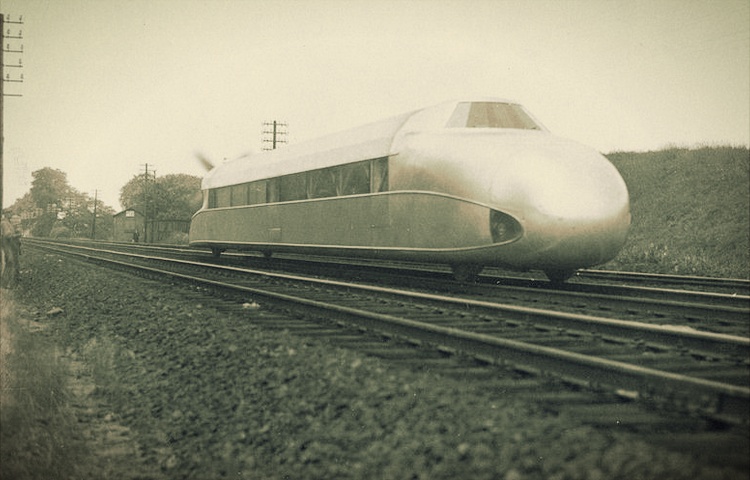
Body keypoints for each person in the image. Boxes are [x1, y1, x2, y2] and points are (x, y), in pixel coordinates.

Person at [0, 215, 21, 288]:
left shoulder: (6, 223)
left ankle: (7, 283)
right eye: (13, 218)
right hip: (7, 247)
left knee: (11, 263)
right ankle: (6, 283)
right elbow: (8, 235)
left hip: (9, 247)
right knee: (10, 263)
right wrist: (17, 234)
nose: (14, 220)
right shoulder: (5, 223)